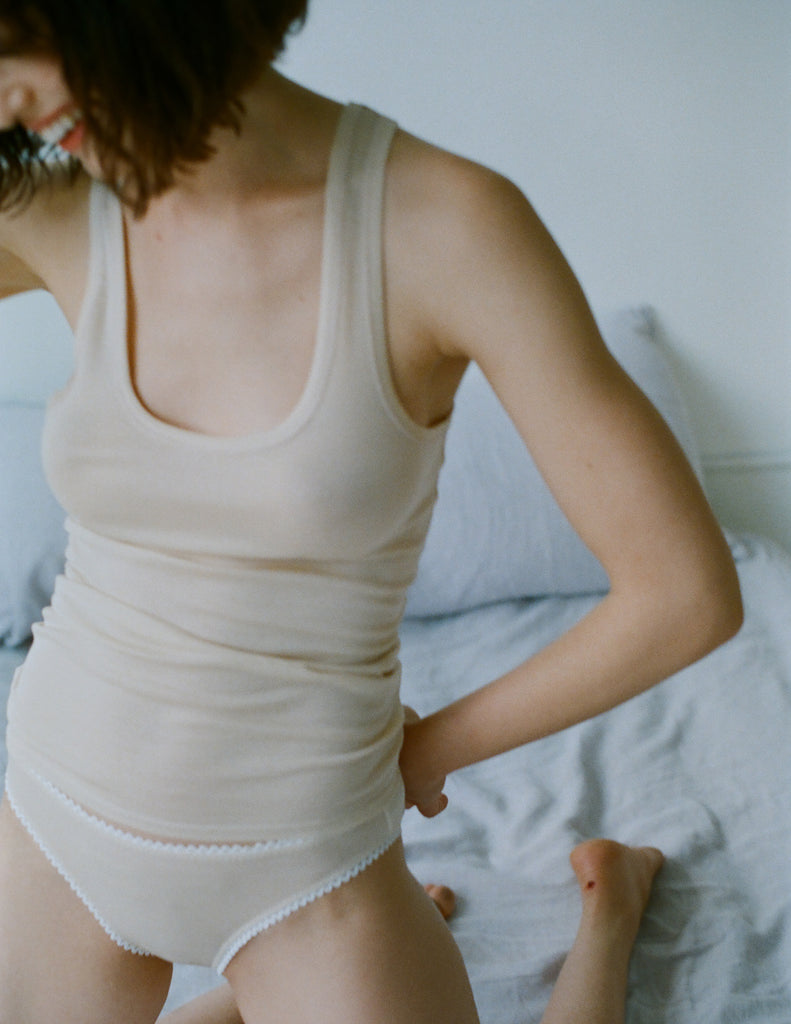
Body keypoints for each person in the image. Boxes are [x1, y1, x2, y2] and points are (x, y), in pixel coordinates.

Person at [0, 3, 743, 1023]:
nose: (9, 96)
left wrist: (431, 747)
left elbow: (684, 594)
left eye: (17, 44)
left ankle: (605, 907)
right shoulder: (57, 209)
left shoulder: (441, 224)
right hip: (57, 816)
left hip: (299, 866)